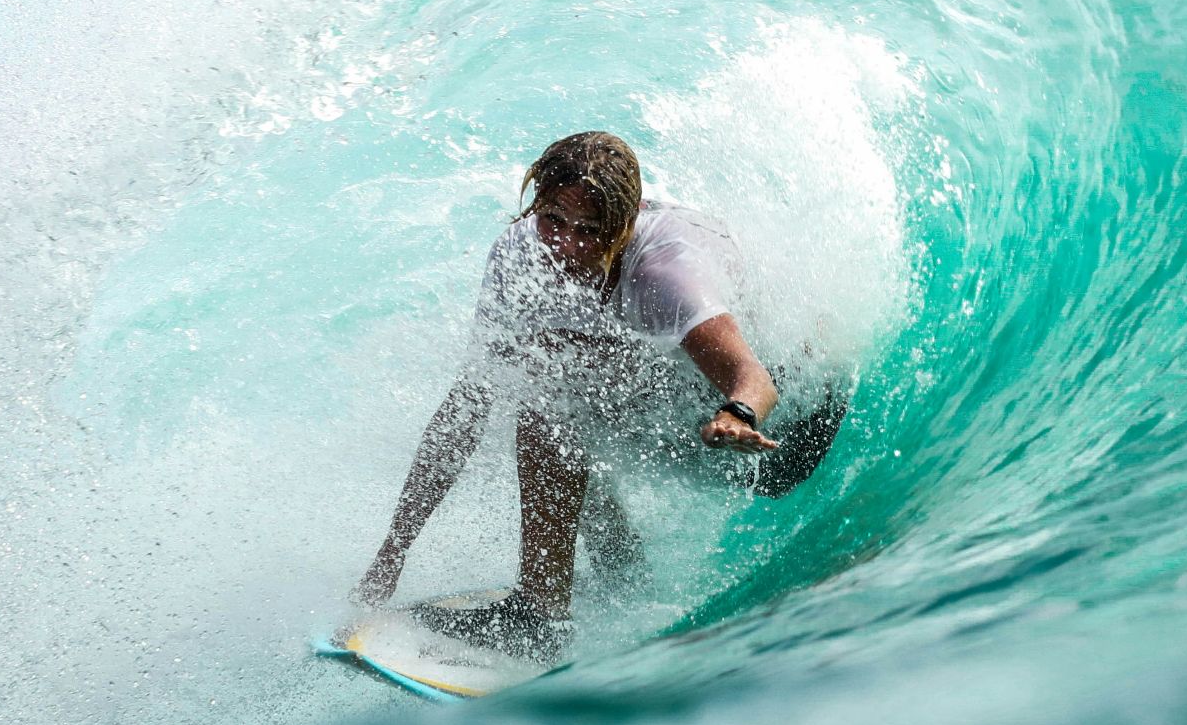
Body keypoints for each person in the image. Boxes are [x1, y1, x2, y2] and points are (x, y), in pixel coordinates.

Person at [352, 131, 847, 662]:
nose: (565, 244)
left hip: (781, 440)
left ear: (626, 224)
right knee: (546, 379)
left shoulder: (665, 272)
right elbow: (465, 410)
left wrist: (736, 414)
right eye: (553, 220)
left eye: (590, 230)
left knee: (555, 398)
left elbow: (754, 377)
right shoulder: (520, 255)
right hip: (682, 411)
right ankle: (601, 582)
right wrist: (392, 553)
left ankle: (548, 611)